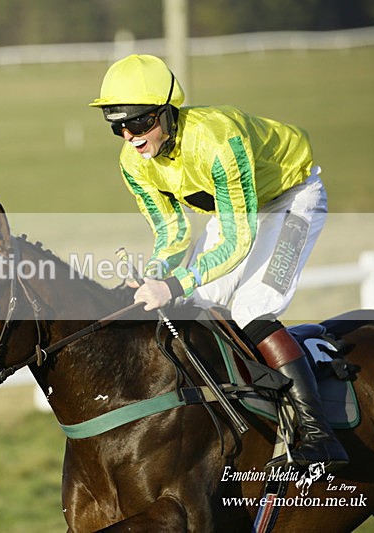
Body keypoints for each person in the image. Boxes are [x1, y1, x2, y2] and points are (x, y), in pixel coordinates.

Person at [90, 54, 348, 472]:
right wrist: (155, 276)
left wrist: (174, 284)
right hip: (235, 212)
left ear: (167, 113)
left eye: (139, 123)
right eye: (118, 127)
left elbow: (237, 239)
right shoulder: (132, 162)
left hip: (292, 198)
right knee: (194, 303)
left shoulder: (218, 140)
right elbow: (171, 233)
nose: (130, 137)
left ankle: (319, 434)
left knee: (250, 306)